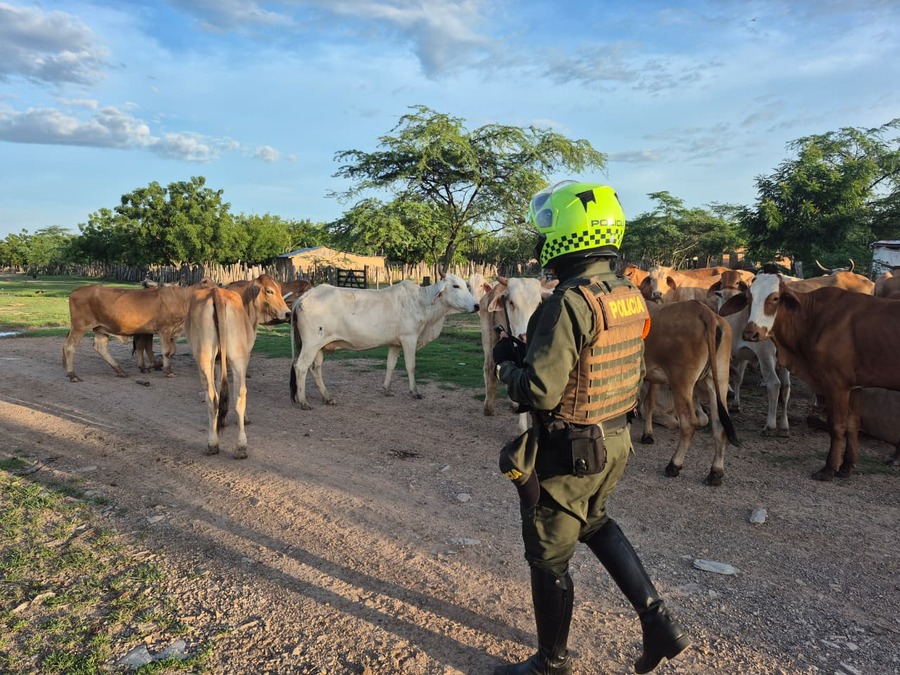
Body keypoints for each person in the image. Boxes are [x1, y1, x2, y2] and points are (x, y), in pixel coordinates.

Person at [492, 181, 690, 675]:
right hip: (614, 442)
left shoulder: (568, 302)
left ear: (567, 237)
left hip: (571, 452)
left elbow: (538, 391)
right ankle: (659, 624)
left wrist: (506, 369)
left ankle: (549, 663)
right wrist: (529, 356)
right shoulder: (626, 295)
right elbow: (601, 364)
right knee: (596, 523)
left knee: (547, 557)